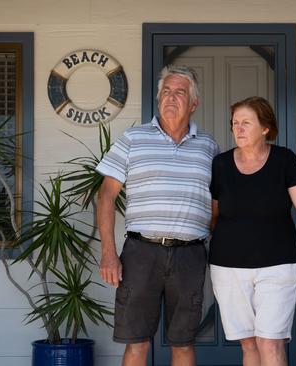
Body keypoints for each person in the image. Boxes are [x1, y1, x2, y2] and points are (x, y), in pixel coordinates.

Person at [96, 65, 219, 366]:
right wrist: (109, 254)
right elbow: (106, 196)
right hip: (141, 253)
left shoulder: (209, 147)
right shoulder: (133, 138)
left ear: (194, 103)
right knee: (137, 342)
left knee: (184, 343)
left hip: (190, 256)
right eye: (166, 91)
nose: (171, 98)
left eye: (180, 92)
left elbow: (217, 205)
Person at [209, 96, 296, 366]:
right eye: (235, 123)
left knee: (270, 341)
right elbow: (212, 217)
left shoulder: (284, 160)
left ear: (265, 128)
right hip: (228, 266)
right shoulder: (219, 165)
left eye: (246, 123)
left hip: (278, 265)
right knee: (249, 344)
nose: (238, 129)